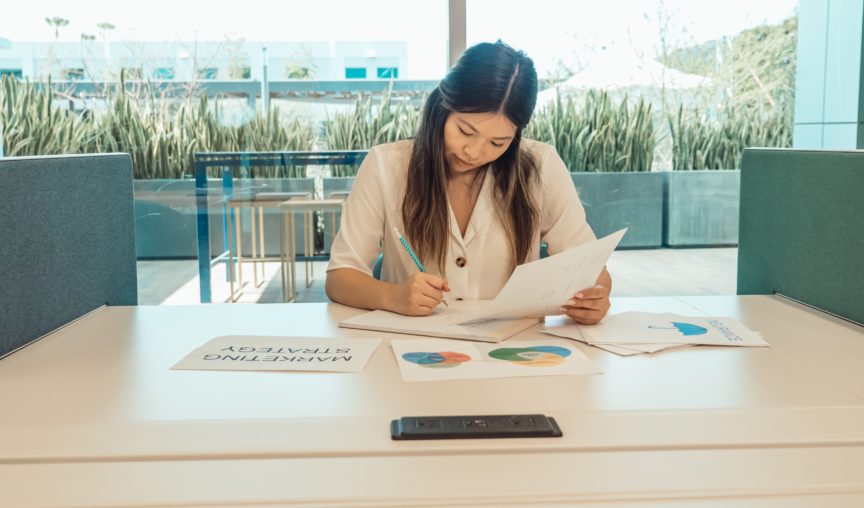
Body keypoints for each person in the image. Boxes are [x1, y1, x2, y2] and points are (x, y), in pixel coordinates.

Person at [325, 41, 612, 324]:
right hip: (413, 349)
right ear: (442, 106)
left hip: (514, 351)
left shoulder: (541, 165)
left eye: (497, 142)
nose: (474, 152)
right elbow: (340, 277)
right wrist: (393, 296)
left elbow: (590, 267)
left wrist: (595, 298)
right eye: (465, 131)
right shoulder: (385, 165)